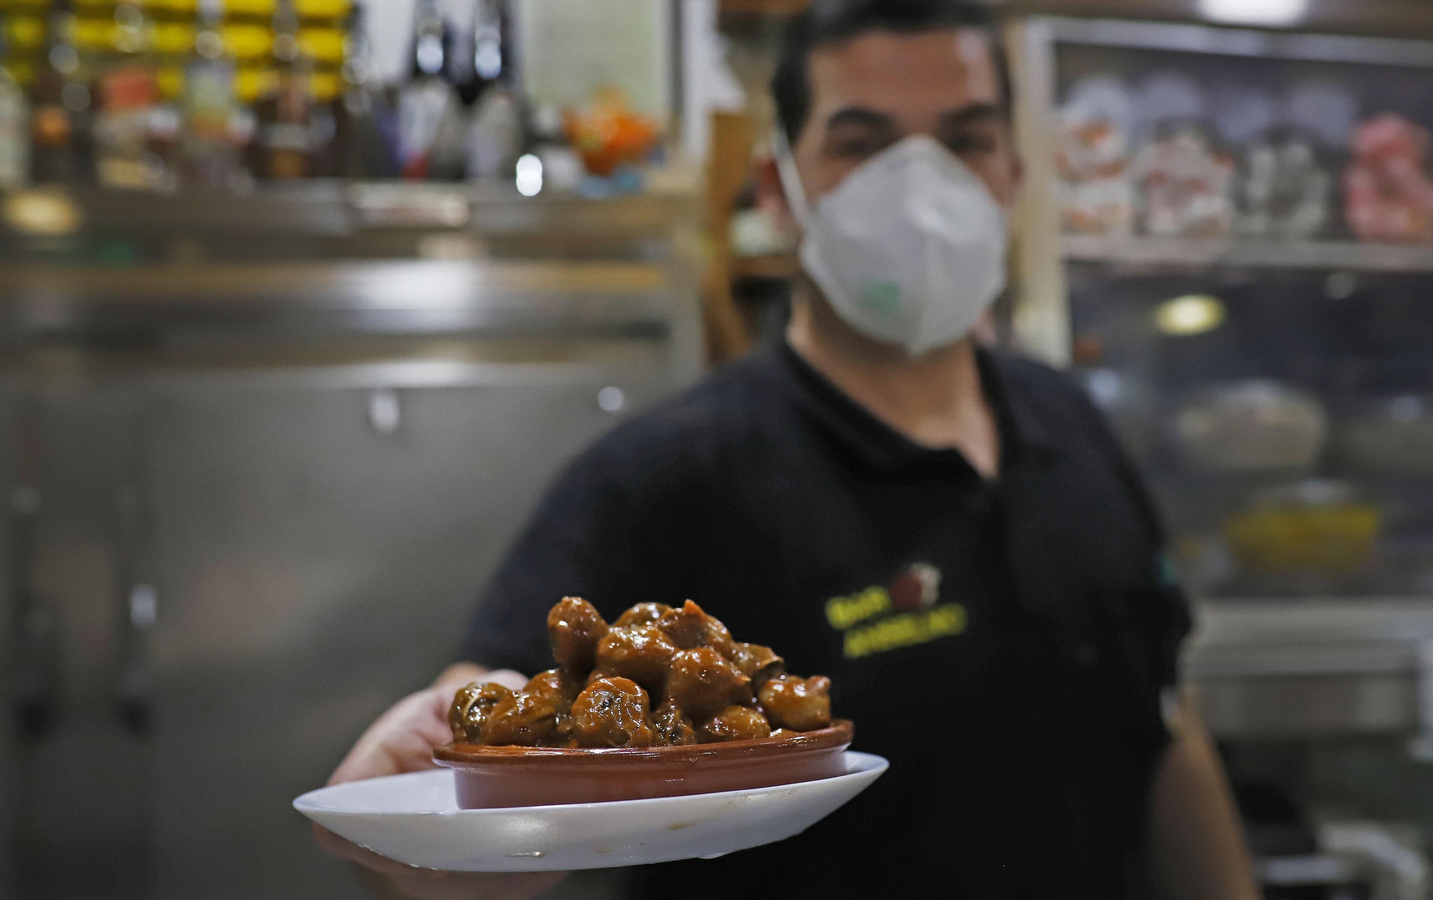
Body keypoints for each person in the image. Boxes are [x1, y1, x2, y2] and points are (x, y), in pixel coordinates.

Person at [330, 1, 1260, 897]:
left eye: (966, 140)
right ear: (779, 191)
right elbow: (497, 714)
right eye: (862, 145)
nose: (923, 187)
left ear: (1016, 175)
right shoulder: (667, 472)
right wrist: (437, 800)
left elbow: (1167, 723)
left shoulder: (1076, 425)